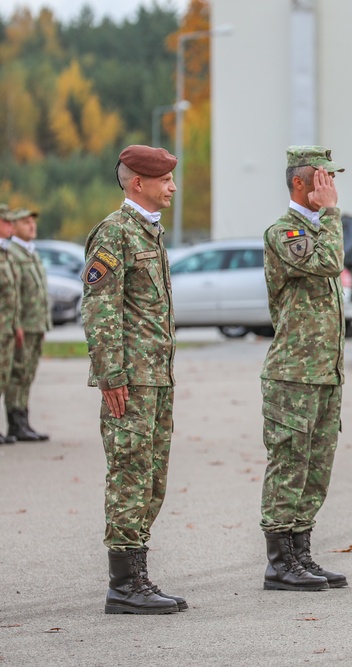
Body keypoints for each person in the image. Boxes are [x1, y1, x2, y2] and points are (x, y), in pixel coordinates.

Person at [81, 145, 186, 615]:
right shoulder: (115, 232)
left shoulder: (150, 233)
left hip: (156, 379)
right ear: (136, 182)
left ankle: (137, 575)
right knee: (129, 474)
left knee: (152, 480)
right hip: (130, 381)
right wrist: (111, 375)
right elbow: (101, 308)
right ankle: (123, 585)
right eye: (164, 180)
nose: (172, 187)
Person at [259, 146, 349, 592]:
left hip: (324, 373)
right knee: (289, 465)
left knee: (316, 466)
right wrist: (332, 216)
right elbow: (329, 263)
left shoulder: (317, 229)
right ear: (300, 184)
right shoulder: (284, 232)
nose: (331, 188)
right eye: (323, 179)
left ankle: (301, 553)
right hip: (293, 374)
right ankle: (279, 563)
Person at [3, 208, 51, 441]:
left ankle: (23, 418)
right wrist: (18, 325)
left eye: (33, 221)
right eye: (25, 222)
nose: (31, 225)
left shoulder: (30, 253)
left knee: (27, 374)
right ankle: (15, 421)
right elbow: (15, 295)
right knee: (17, 374)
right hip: (21, 325)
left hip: (35, 324)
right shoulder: (12, 253)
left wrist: (42, 324)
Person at [0, 206, 24, 445]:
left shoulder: (5, 253)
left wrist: (16, 325)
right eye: (5, 222)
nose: (11, 226)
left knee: (4, 378)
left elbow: (11, 296)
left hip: (6, 329)